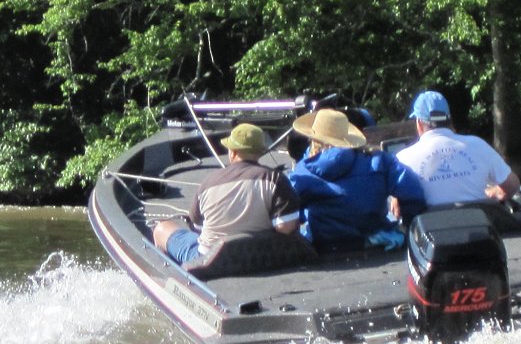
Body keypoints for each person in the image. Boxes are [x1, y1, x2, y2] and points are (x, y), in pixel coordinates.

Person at [153, 123, 301, 264]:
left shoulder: (208, 183)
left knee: (161, 229)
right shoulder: (275, 179)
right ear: (259, 153)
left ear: (233, 152)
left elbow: (197, 226)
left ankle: (177, 280)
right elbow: (285, 228)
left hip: (209, 260)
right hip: (260, 255)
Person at [288, 108, 426, 253]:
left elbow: (288, 209)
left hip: (324, 245)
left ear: (314, 140)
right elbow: (413, 193)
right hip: (373, 242)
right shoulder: (377, 159)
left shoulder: (303, 170)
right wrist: (407, 222)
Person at [396, 90, 521, 207]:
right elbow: (512, 185)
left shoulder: (403, 159)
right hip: (478, 227)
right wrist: (491, 194)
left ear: (419, 122)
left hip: (430, 229)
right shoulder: (478, 145)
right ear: (449, 118)